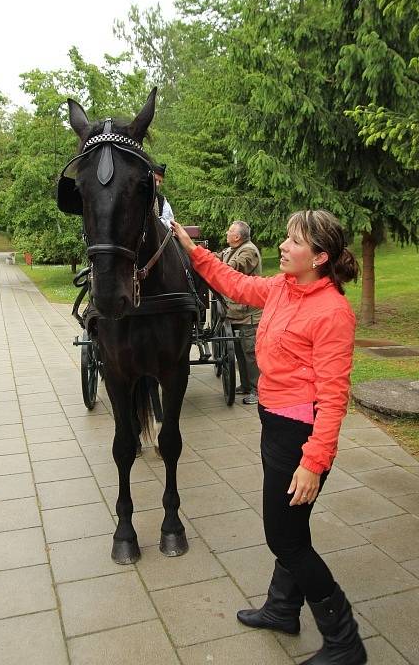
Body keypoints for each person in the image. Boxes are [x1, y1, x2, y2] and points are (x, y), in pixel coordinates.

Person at [172, 210, 366, 665]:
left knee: (285, 540)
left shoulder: (333, 311)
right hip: (275, 426)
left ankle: (344, 640)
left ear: (319, 257)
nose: (282, 245)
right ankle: (282, 609)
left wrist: (313, 463)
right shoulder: (282, 288)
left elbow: (334, 398)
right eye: (285, 237)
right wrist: (191, 248)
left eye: (294, 241)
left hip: (300, 438)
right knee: (291, 528)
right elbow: (235, 284)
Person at [217, 221, 261, 405]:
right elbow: (217, 258)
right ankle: (245, 385)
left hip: (248, 313)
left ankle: (257, 390)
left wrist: (213, 265)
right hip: (235, 311)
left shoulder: (249, 251)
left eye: (230, 231)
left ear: (238, 237)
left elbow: (234, 268)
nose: (227, 232)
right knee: (240, 353)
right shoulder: (230, 250)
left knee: (250, 353)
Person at [153, 163, 174, 228]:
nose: (157, 184)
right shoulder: (137, 195)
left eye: (160, 181)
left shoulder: (161, 200)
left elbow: (170, 222)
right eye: (155, 180)